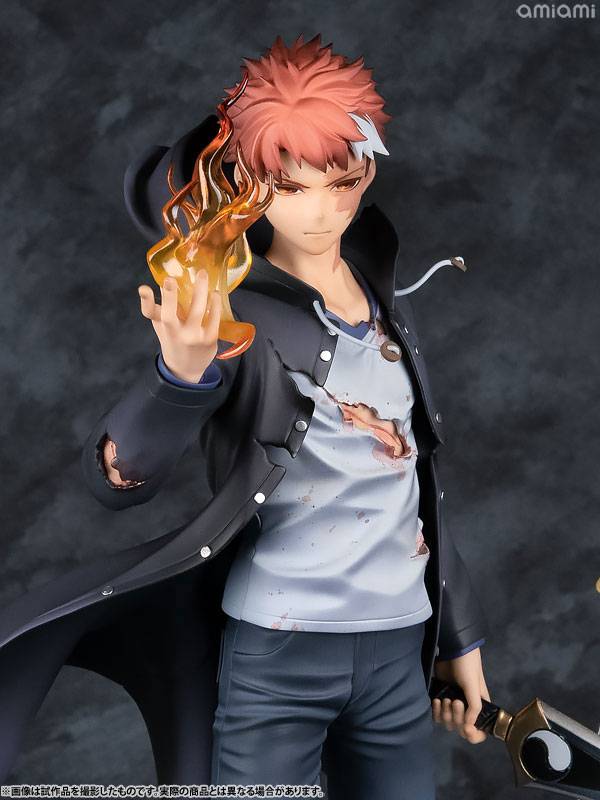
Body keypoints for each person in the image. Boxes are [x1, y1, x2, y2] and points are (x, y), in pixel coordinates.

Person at [110, 33, 491, 798]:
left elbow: (418, 484)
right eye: (292, 187)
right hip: (279, 650)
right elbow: (123, 474)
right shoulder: (233, 315)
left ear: (367, 169)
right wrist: (179, 375)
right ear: (252, 186)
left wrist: (461, 641)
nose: (321, 209)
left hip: (397, 648)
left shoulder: (385, 302)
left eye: (341, 181)